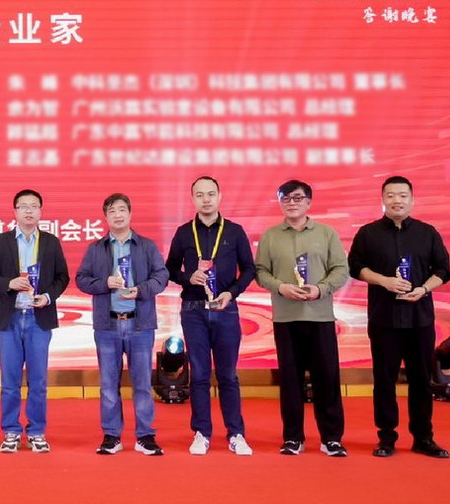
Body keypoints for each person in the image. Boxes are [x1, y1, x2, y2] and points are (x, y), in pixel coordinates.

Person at [348, 176, 450, 459]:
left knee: (421, 381)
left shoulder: (427, 233)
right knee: (384, 381)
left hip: (420, 319)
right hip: (384, 319)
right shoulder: (368, 233)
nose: (397, 200)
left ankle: (423, 437)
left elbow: (443, 270)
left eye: (403, 195)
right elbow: (355, 267)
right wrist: (384, 281)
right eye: (391, 195)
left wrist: (423, 289)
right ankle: (386, 438)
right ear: (383, 199)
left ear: (412, 199)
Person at [255, 179, 350, 457]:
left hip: (320, 317)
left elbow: (340, 269)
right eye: (285, 198)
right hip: (286, 318)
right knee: (290, 380)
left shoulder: (326, 233)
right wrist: (280, 287)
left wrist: (321, 289)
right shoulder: (271, 236)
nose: (292, 203)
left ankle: (331, 438)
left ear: (309, 202)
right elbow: (260, 272)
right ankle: (293, 437)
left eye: (297, 198)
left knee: (327, 378)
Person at [166, 176, 256, 457]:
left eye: (211, 194)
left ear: (219, 197)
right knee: (200, 374)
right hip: (193, 310)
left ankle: (236, 433)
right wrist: (187, 277)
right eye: (200, 195)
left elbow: (249, 269)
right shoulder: (184, 232)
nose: (206, 199)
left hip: (226, 308)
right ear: (192, 199)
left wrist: (232, 293)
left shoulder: (235, 231)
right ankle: (201, 433)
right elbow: (169, 269)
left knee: (228, 374)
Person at [75, 193, 169, 456]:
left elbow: (161, 276)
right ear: (105, 217)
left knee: (142, 384)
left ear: (130, 214)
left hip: (140, 325)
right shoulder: (96, 249)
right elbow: (81, 279)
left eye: (121, 210)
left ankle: (145, 436)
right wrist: (104, 283)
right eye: (112, 211)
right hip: (108, 326)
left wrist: (141, 290)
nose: (117, 215)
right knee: (108, 385)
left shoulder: (146, 246)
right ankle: (112, 436)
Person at [0, 189, 69, 453]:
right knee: (10, 382)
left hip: (38, 318)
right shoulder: (1, 241)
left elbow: (62, 277)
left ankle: (36, 432)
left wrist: (47, 296)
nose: (29, 210)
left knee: (38, 381)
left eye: (34, 206)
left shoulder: (51, 242)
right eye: (23, 206)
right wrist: (8, 283)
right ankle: (10, 431)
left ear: (41, 211)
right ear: (15, 212)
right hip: (10, 319)